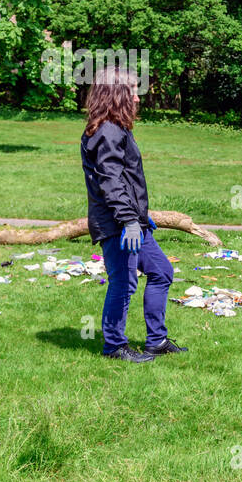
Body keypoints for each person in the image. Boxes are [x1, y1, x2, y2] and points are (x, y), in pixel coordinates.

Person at [80, 67, 184, 363]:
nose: (138, 98)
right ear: (117, 94)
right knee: (123, 282)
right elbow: (110, 180)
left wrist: (140, 216)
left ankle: (157, 340)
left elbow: (125, 179)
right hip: (117, 224)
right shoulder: (107, 131)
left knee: (161, 271)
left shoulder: (116, 128)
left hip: (133, 222)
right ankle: (114, 346)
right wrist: (128, 220)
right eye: (133, 90)